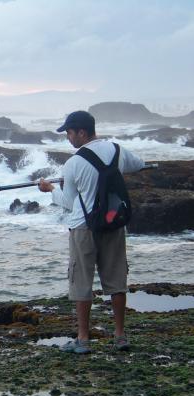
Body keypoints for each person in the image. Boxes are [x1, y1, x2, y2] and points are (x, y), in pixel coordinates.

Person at [38, 110, 144, 354]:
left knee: (82, 282)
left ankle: (83, 339)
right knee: (117, 281)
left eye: (69, 132)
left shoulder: (74, 163)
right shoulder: (117, 151)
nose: (68, 137)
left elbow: (68, 201)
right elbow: (139, 164)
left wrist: (49, 189)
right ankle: (119, 336)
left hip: (83, 228)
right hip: (113, 223)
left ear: (82, 132)